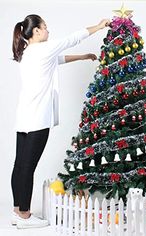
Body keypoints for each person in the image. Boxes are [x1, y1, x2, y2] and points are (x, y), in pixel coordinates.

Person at [11, 14, 110, 229]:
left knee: (20, 165)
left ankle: (18, 211)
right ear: (36, 31)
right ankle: (25, 216)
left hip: (24, 117)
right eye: (45, 27)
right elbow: (73, 38)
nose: (48, 31)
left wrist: (83, 57)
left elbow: (58, 60)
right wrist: (99, 26)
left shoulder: (28, 52)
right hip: (38, 119)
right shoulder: (44, 49)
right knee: (28, 167)